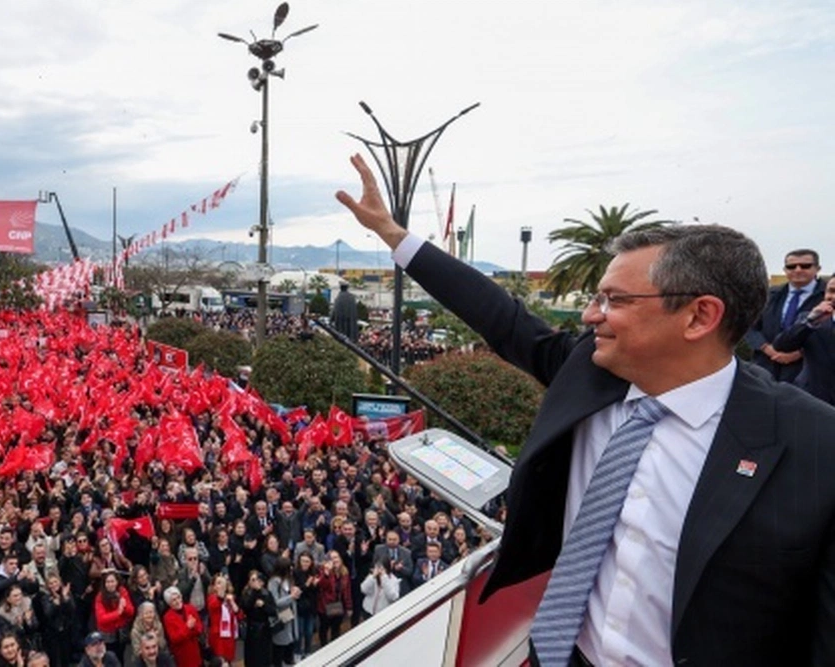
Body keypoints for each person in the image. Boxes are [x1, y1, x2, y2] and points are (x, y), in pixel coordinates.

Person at [338, 153, 835, 665]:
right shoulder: (588, 370)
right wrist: (393, 234)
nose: (590, 313)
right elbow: (501, 317)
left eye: (615, 299)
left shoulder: (813, 445)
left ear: (699, 316)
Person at [744, 248, 825, 382]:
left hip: (808, 373)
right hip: (766, 368)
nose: (798, 270)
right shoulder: (769, 295)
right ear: (785, 270)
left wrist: (800, 354)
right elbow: (750, 326)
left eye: (805, 266)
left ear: (818, 268)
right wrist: (766, 348)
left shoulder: (828, 296)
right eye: (791, 266)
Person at [772, 278, 835, 405]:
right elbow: (782, 345)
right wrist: (810, 321)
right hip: (813, 400)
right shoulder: (810, 319)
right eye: (831, 291)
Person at [158, 588, 201, 667]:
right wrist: (187, 627)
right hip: (182, 654)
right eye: (174, 600)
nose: (178, 601)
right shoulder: (167, 617)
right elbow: (174, 638)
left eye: (178, 597)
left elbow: (199, 628)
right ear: (169, 603)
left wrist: (192, 628)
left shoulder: (190, 608)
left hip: (195, 651)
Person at [203, 575, 238, 665]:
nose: (221, 585)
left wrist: (233, 603)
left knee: (228, 661)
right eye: (218, 583)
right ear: (214, 587)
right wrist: (221, 593)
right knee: (220, 662)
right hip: (218, 637)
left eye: (222, 582)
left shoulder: (230, 598)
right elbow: (215, 605)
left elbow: (238, 614)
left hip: (229, 636)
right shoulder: (212, 598)